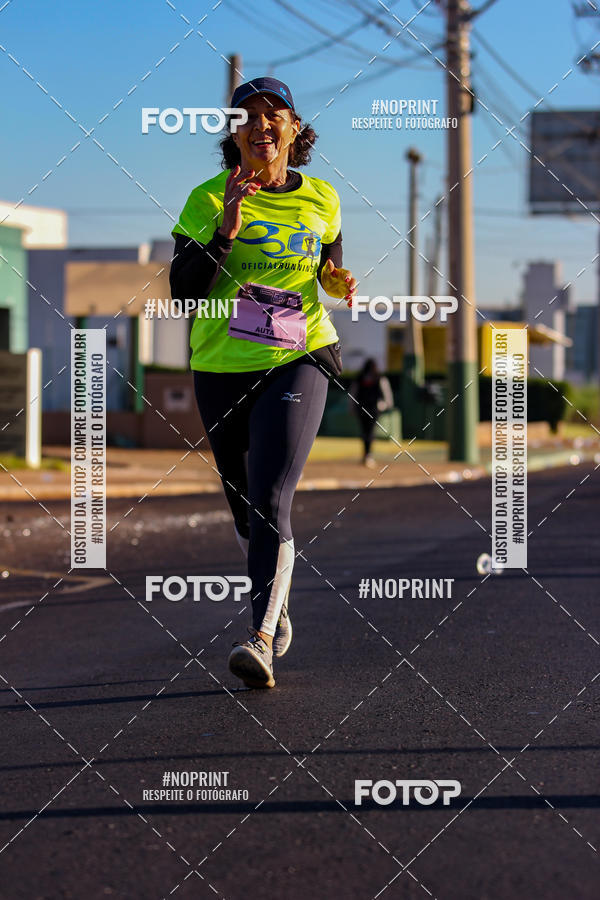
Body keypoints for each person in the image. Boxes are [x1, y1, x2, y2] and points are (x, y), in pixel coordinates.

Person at [169, 77, 356, 689]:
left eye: (274, 115)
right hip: (221, 364)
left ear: (295, 130)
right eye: (245, 117)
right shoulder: (204, 198)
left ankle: (259, 638)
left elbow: (327, 258)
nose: (260, 124)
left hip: (299, 356)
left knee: (273, 496)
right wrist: (227, 224)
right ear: (234, 134)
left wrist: (334, 280)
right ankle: (276, 598)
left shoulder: (322, 197)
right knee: (249, 512)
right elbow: (184, 293)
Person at [349, 358, 394, 467]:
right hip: (365, 409)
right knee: (367, 432)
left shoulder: (378, 378)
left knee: (368, 432)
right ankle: (367, 455)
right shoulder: (362, 379)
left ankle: (367, 455)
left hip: (371, 409)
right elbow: (353, 394)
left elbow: (387, 397)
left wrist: (383, 405)